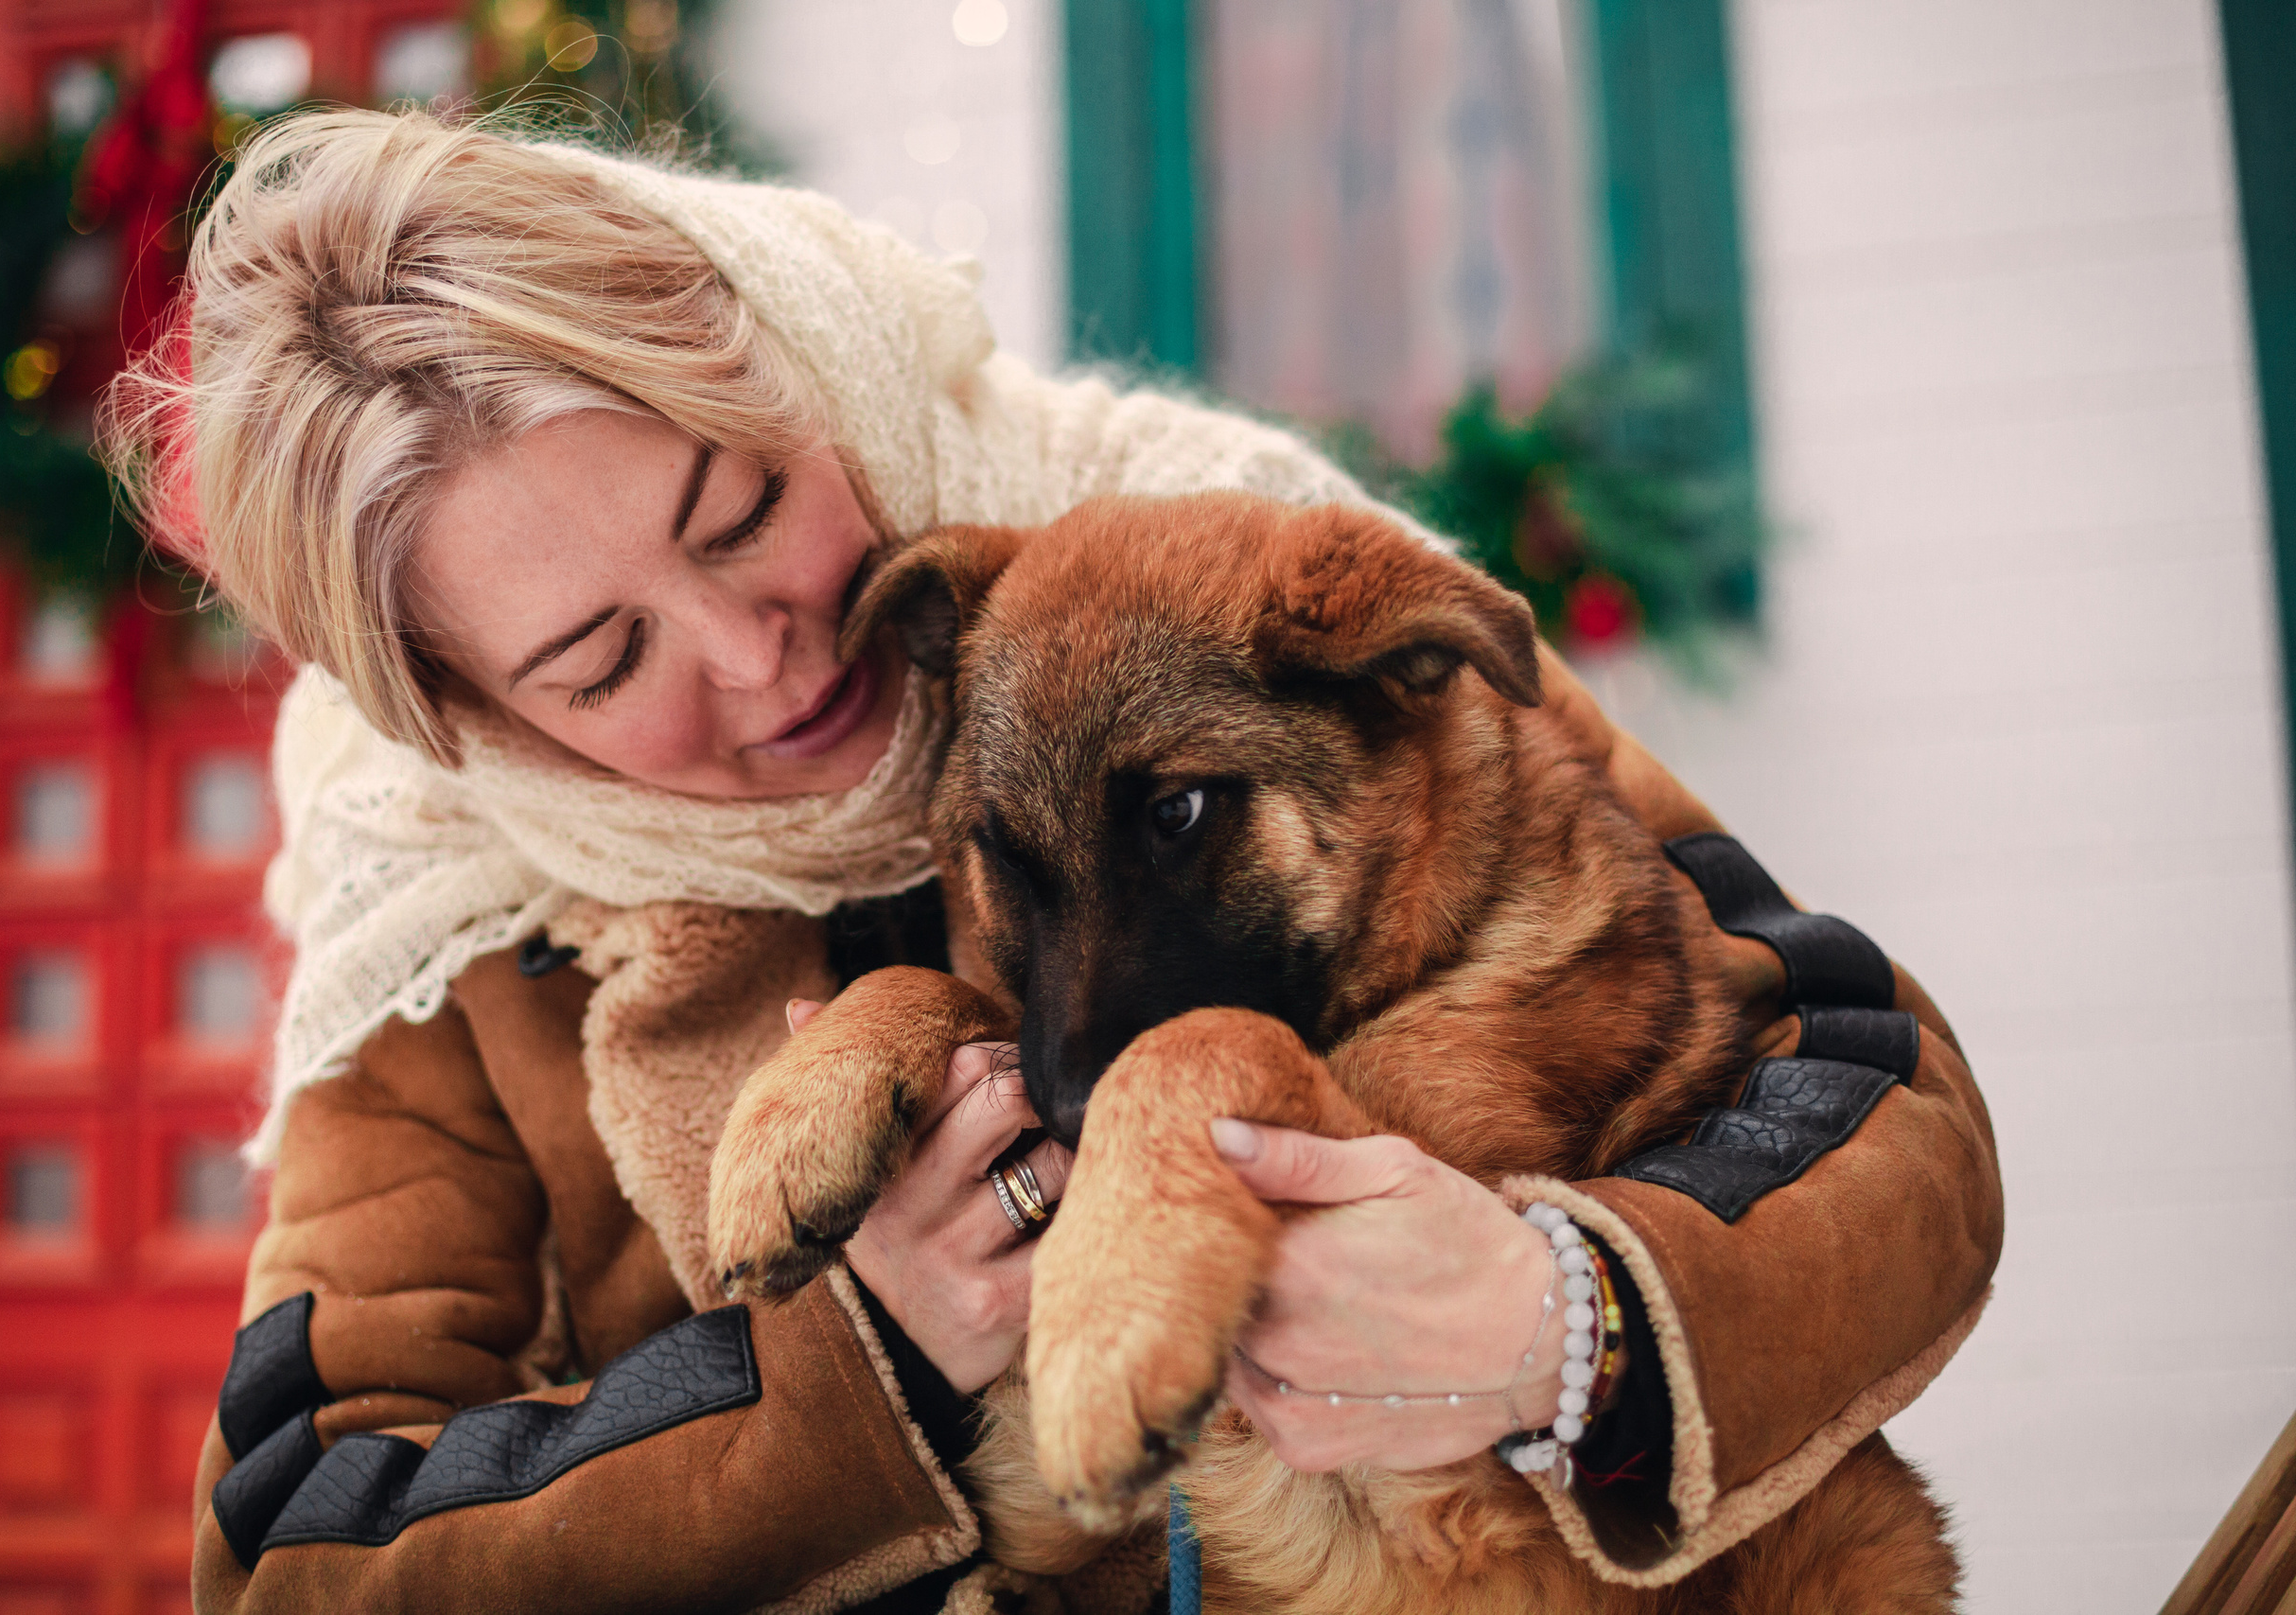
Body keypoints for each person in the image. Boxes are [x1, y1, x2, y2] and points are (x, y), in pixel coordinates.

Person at [111, 108, 2000, 1614]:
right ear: (470, 713)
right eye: (598, 659)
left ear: (791, 362)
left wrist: (1559, 1317)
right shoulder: (443, 935)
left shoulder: (1232, 565)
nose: (765, 654)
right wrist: (865, 1375)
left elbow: (1872, 1091)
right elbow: (294, 1551)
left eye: (743, 503)